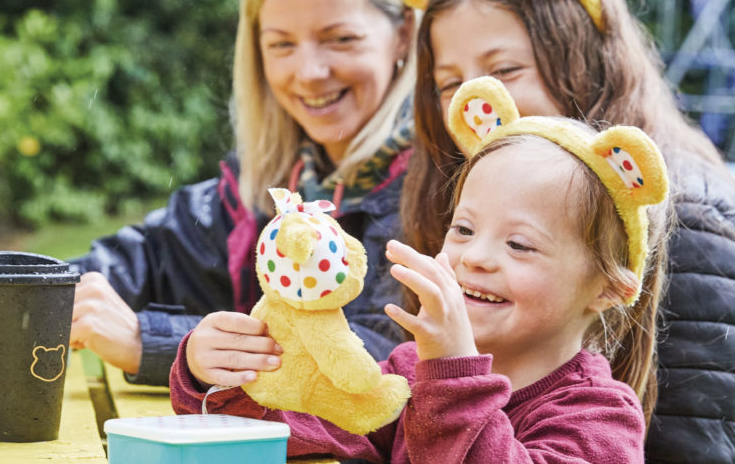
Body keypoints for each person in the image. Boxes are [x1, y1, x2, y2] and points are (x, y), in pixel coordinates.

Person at [396, 0, 735, 463]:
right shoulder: (474, 197)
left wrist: (451, 385)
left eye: (504, 70)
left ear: (583, 60)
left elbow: (696, 447)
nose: (477, 99)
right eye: (449, 82)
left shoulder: (686, 221)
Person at [171, 77, 671, 462]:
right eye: (464, 230)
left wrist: (453, 375)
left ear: (607, 289)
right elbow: (310, 431)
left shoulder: (600, 419)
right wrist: (223, 381)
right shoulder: (411, 371)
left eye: (519, 244)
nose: (474, 257)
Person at [67, 0, 417, 386]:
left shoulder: (446, 186)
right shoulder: (265, 188)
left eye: (340, 39)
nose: (309, 72)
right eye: (281, 45)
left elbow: (372, 369)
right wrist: (44, 290)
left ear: (404, 35)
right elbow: (145, 259)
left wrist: (152, 344)